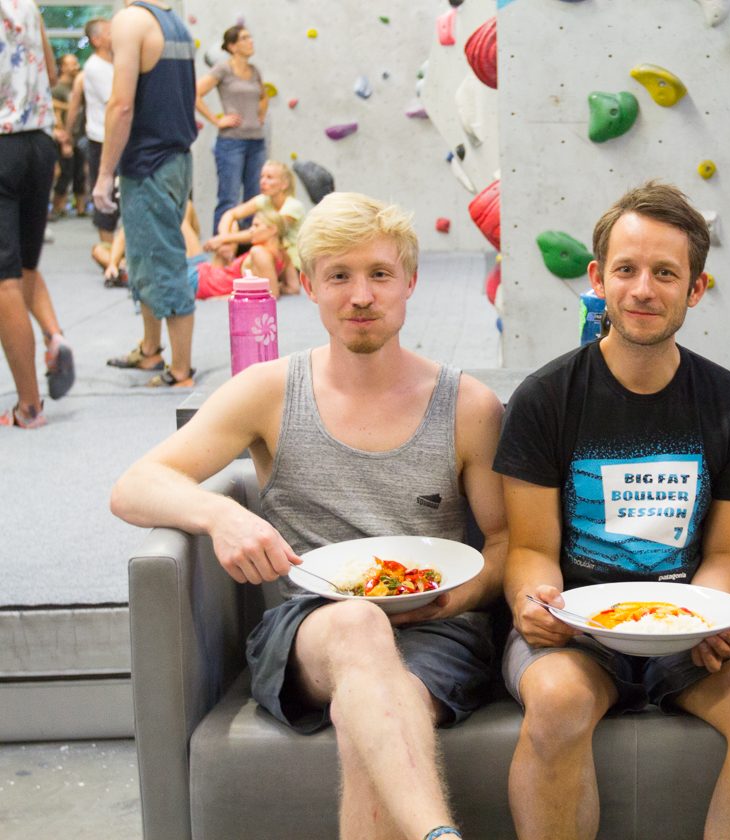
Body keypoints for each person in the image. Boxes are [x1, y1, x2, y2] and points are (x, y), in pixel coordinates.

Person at [110, 192, 508, 840]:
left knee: (373, 718)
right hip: (308, 627)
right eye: (339, 276)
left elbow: (504, 540)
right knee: (355, 627)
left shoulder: (467, 405)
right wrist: (220, 515)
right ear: (308, 284)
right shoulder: (271, 389)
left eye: (379, 274)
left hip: (440, 631)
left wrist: (467, 593)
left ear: (410, 281)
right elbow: (135, 485)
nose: (361, 295)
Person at [494, 181, 730, 840]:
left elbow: (724, 555)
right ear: (598, 279)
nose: (643, 289)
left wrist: (711, 616)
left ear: (695, 288)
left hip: (688, 626)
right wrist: (532, 600)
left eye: (666, 273)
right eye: (627, 270)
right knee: (556, 700)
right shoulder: (545, 399)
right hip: (576, 626)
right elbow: (528, 549)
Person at [92, 0, 198, 389]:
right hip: (171, 159)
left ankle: (181, 370)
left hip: (150, 163)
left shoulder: (131, 20)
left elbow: (121, 105)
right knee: (143, 259)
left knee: (162, 261)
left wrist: (104, 174)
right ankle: (151, 349)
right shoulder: (174, 23)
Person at [1, 0, 76, 428]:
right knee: (24, 267)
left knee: (4, 282)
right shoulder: (26, 5)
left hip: (3, 142)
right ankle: (54, 334)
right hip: (38, 146)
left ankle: (28, 407)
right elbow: (48, 67)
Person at [195, 24, 268, 233]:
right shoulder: (223, 69)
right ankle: (222, 248)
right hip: (232, 142)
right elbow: (195, 93)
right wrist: (217, 120)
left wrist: (260, 115)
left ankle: (245, 254)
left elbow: (263, 97)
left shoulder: (254, 71)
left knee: (254, 199)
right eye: (245, 38)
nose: (251, 41)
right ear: (233, 46)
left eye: (250, 37)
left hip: (256, 141)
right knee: (229, 197)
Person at [66, 17, 118, 272]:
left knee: (121, 198)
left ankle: (118, 256)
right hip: (102, 141)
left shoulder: (116, 62)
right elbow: (117, 102)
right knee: (105, 198)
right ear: (97, 40)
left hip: (121, 139)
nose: (116, 34)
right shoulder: (95, 67)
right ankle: (107, 258)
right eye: (110, 32)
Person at [208, 159, 305, 293]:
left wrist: (223, 239)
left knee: (231, 240)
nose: (263, 181)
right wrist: (224, 238)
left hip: (288, 261)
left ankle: (222, 276)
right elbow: (230, 214)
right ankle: (220, 271)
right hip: (265, 249)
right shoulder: (263, 200)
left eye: (269, 178)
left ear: (284, 184)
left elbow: (266, 232)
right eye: (262, 177)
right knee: (233, 225)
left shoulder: (293, 206)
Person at [194, 206, 287, 299]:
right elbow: (293, 288)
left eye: (256, 225)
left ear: (272, 229)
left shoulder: (258, 252)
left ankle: (222, 245)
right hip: (206, 275)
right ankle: (223, 246)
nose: (251, 230)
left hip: (202, 282)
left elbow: (273, 294)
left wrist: (224, 297)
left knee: (186, 213)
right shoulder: (283, 255)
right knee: (232, 224)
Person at [49, 53, 87, 219]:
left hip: (79, 135)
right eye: (70, 63)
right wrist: (63, 136)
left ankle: (81, 208)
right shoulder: (57, 89)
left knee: (80, 173)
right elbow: (54, 111)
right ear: (62, 67)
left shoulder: (80, 86)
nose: (75, 66)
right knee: (65, 172)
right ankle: (58, 207)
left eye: (76, 63)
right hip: (63, 136)